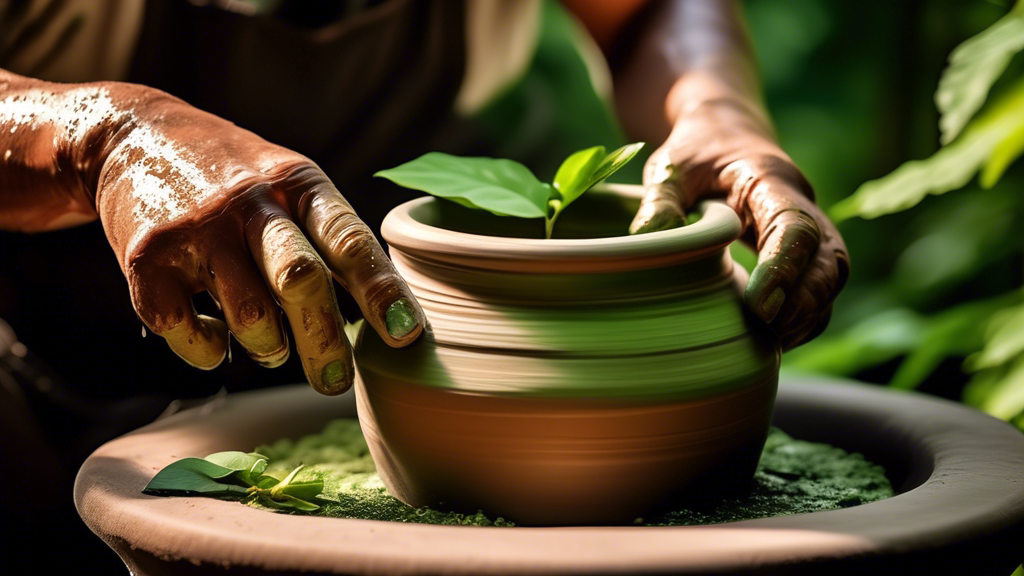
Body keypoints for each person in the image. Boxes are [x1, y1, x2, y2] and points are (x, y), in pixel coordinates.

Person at [0, 0, 849, 396]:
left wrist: (717, 115)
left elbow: (644, 13)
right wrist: (104, 140)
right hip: (64, 349)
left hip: (455, 338)